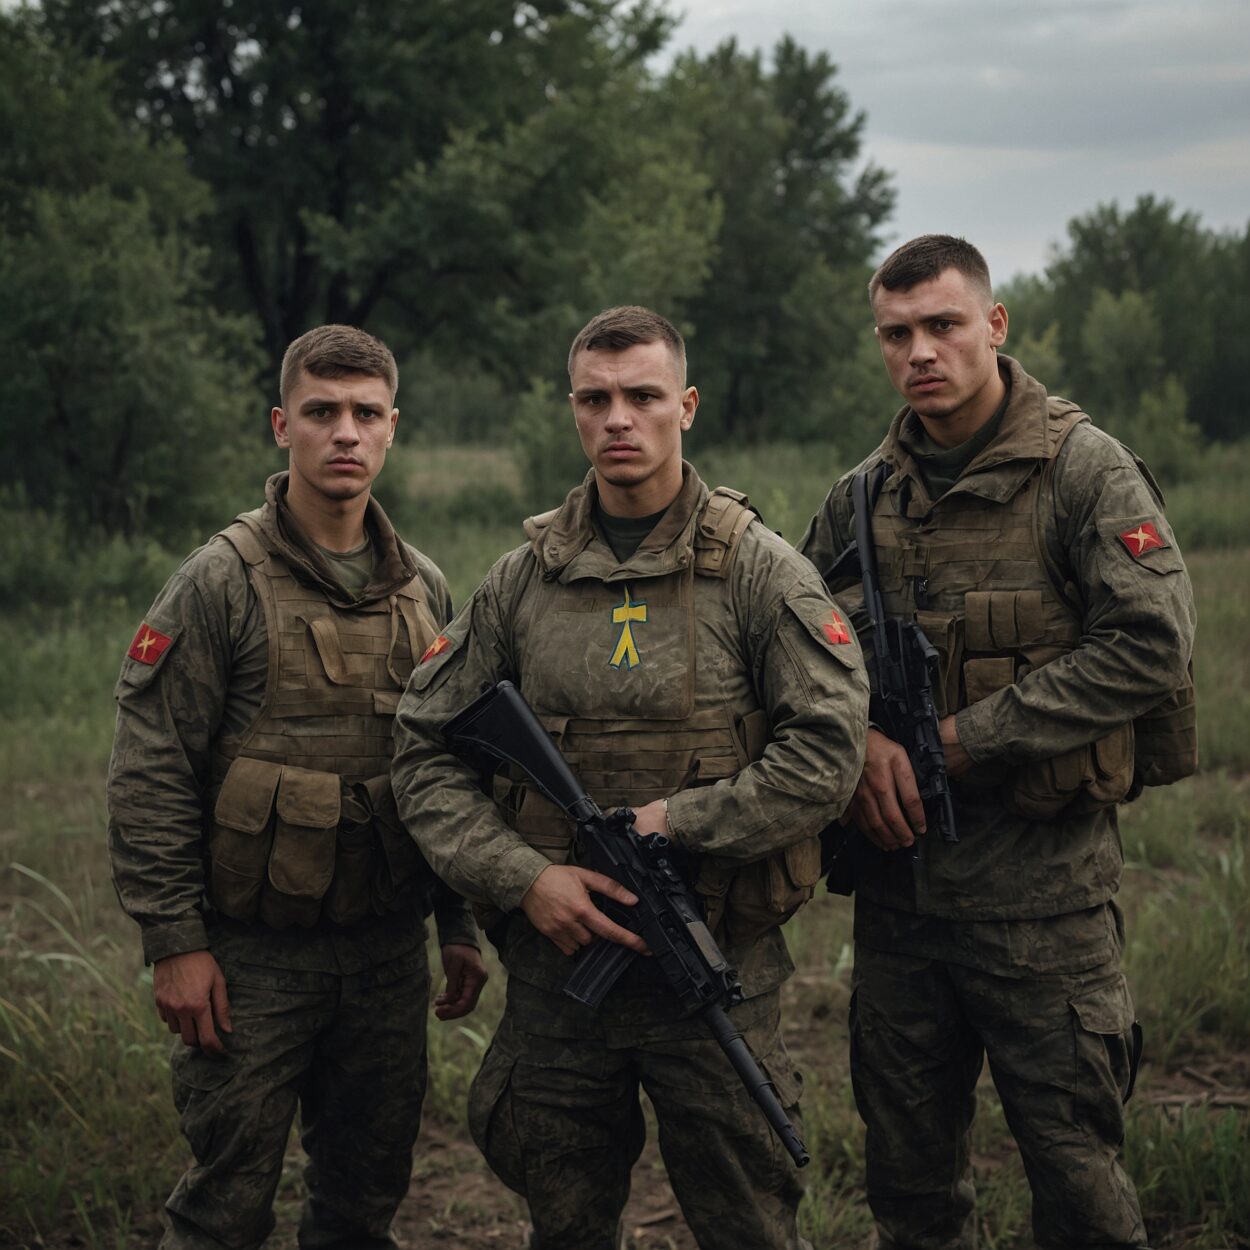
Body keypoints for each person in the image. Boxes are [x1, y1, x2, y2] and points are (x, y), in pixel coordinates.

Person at [390, 305, 869, 1250]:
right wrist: (525, 879)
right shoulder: (519, 583)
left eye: (643, 396)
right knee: (564, 1223)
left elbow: (828, 751)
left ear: (684, 406)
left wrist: (679, 823)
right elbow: (421, 747)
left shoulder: (760, 573)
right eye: (596, 398)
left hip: (715, 969)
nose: (620, 419)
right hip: (560, 981)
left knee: (749, 1226)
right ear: (573, 411)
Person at [799, 235, 1197, 1250]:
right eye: (895, 334)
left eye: (941, 325)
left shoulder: (1081, 472)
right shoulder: (859, 498)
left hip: (1043, 910)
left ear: (993, 324)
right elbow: (787, 651)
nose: (918, 352)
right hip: (899, 906)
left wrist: (961, 741)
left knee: (1078, 1188)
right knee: (910, 1193)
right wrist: (855, 747)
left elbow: (1150, 641)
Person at [107, 324, 488, 1250]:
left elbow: (440, 768)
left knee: (364, 1200)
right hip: (252, 960)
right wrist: (174, 943)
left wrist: (459, 926)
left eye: (365, 414)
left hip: (385, 957)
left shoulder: (423, 588)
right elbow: (152, 766)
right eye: (322, 413)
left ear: (393, 428)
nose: (344, 433)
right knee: (223, 1206)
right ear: (284, 425)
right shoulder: (219, 582)